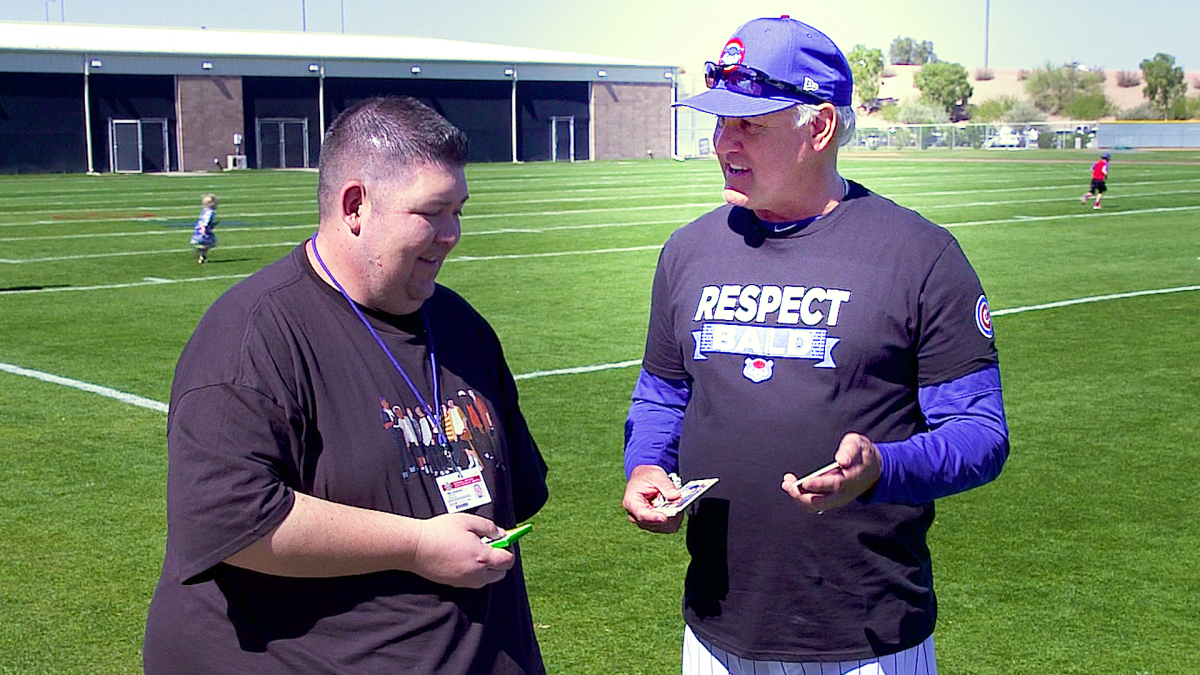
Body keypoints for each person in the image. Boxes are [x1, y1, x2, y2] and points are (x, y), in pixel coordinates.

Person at [621, 16, 1009, 675]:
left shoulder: (921, 255)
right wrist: (646, 464)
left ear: (820, 127)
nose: (724, 143)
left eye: (750, 125)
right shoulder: (688, 250)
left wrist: (883, 466)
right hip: (716, 629)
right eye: (720, 122)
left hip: (866, 641)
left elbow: (980, 431)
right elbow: (662, 390)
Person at [144, 96, 549, 675]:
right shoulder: (254, 335)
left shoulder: (462, 326)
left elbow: (518, 493)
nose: (452, 234)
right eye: (432, 212)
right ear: (355, 206)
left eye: (460, 210)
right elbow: (226, 522)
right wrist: (414, 545)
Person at [189, 193, 218, 263]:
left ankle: (202, 256)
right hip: (204, 231)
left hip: (199, 229)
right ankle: (201, 252)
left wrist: (211, 225)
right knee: (210, 243)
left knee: (206, 243)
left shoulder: (205, 210)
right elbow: (206, 219)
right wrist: (204, 227)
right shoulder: (211, 212)